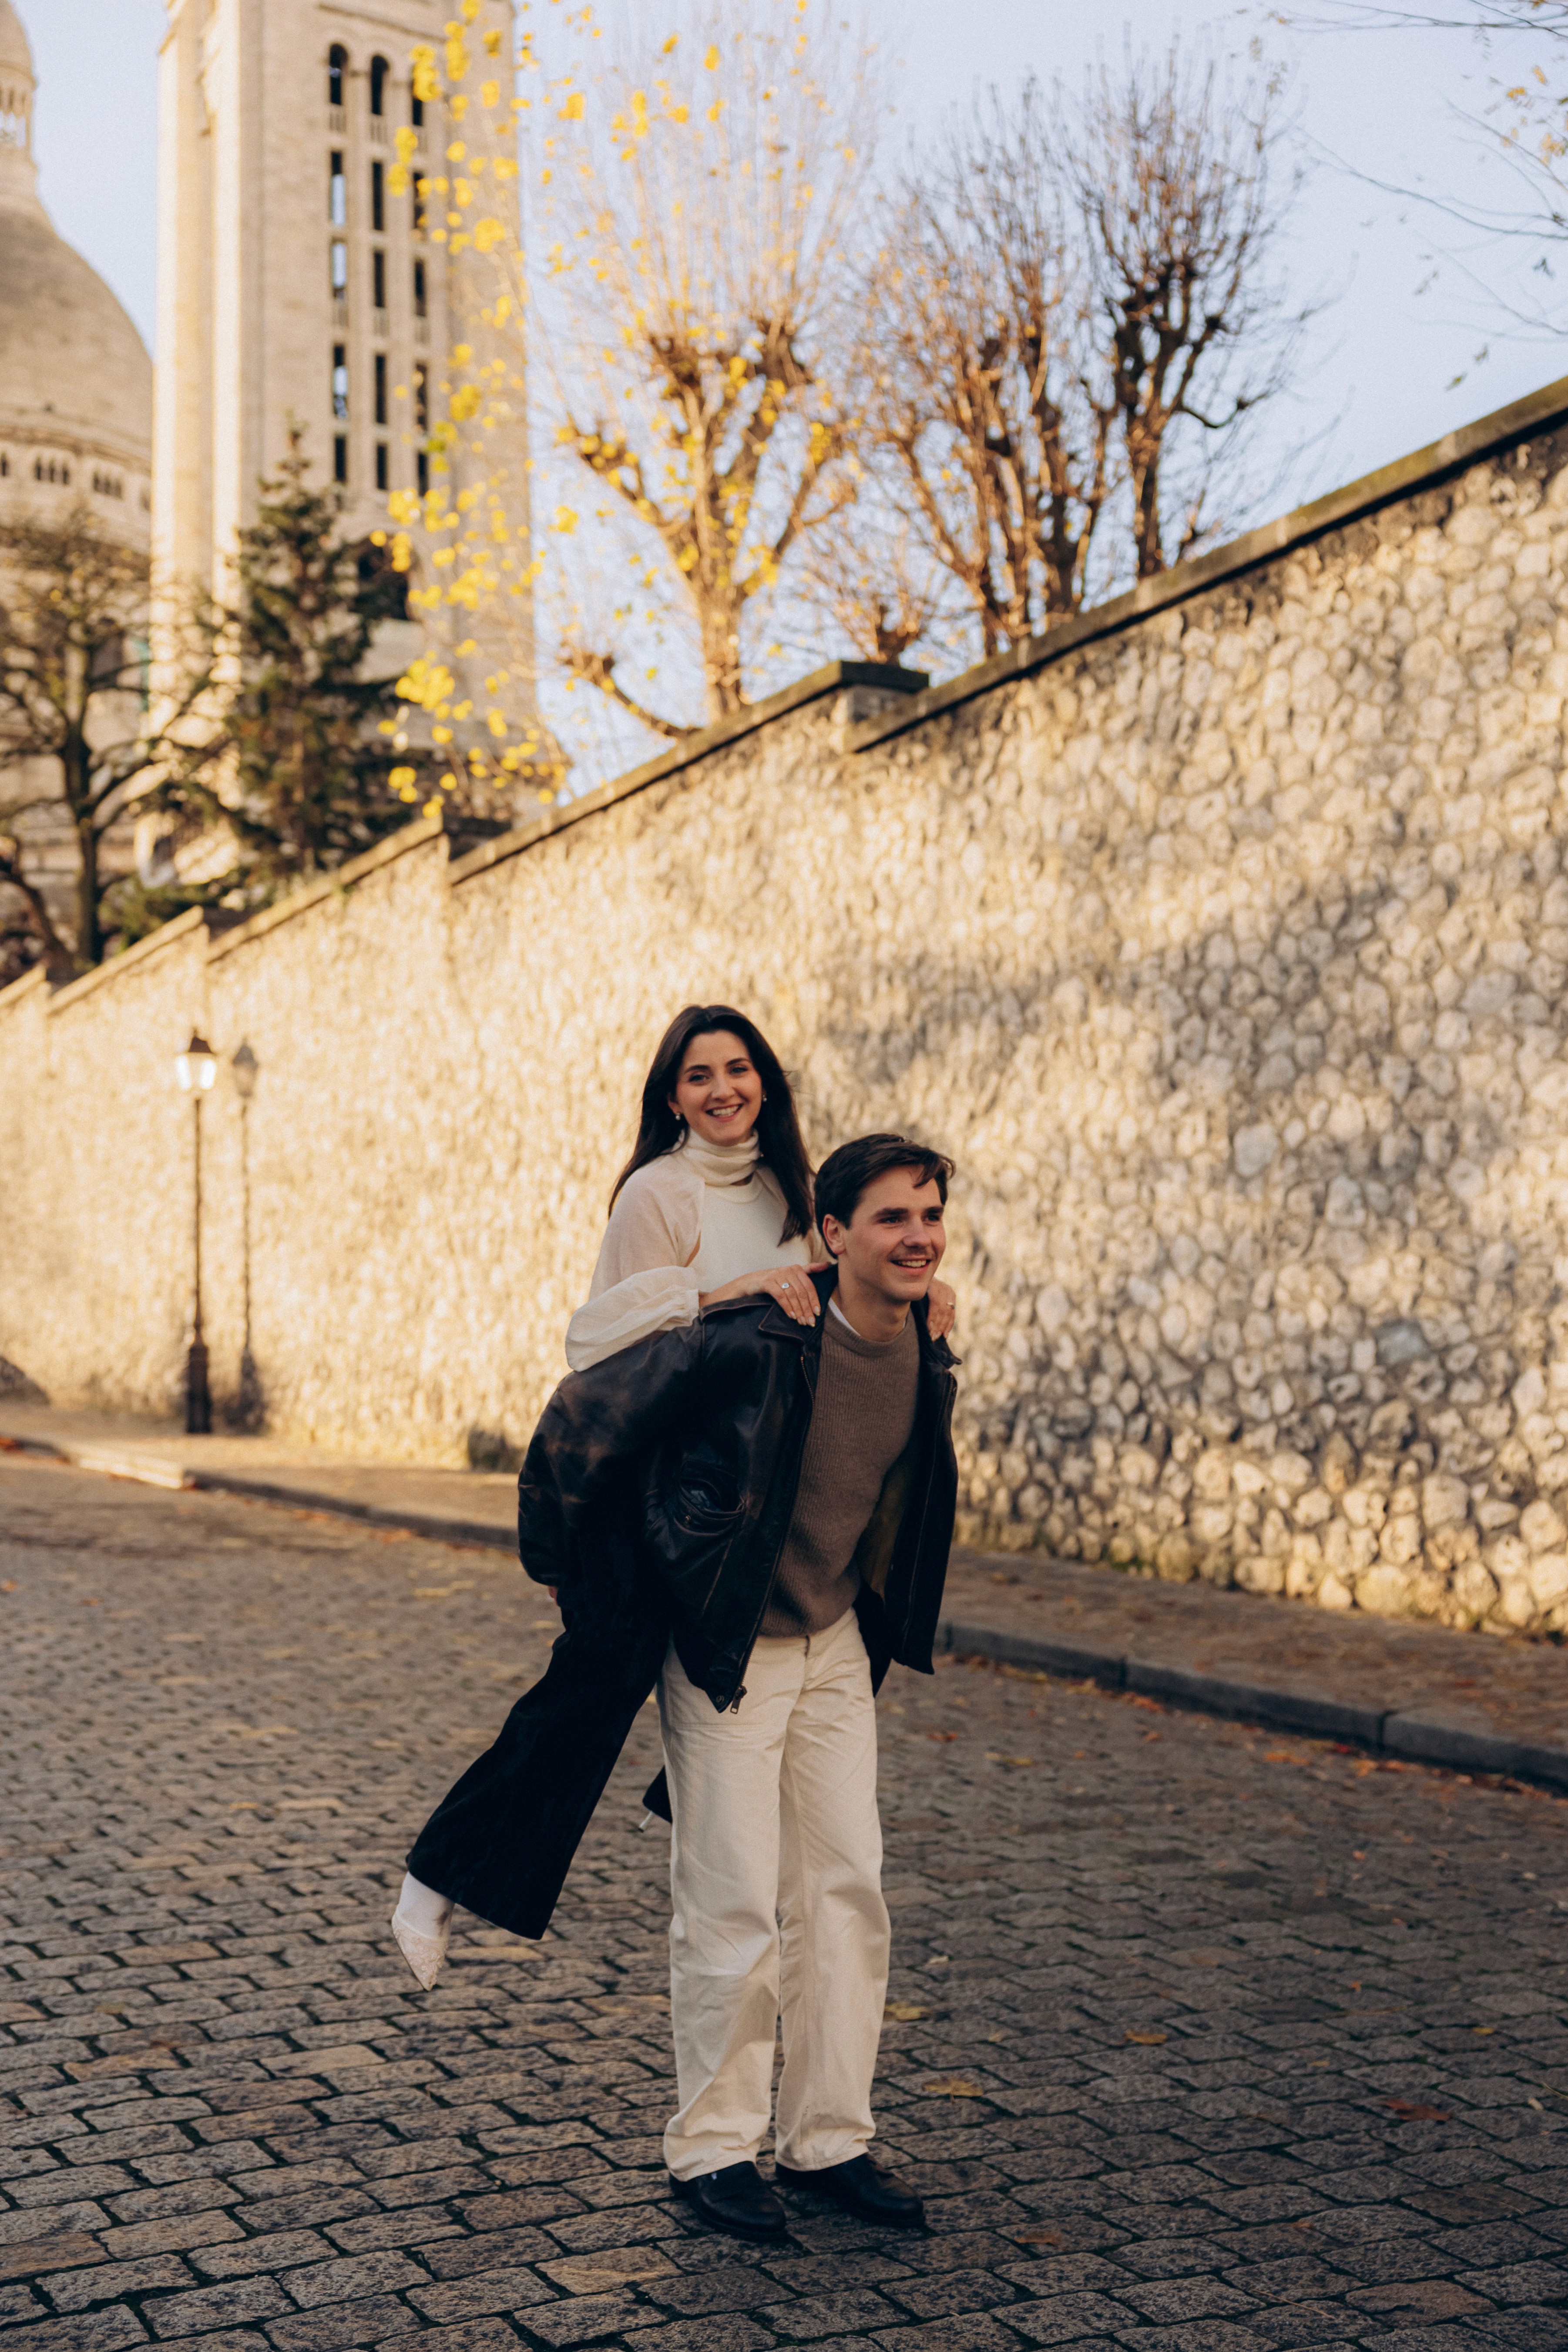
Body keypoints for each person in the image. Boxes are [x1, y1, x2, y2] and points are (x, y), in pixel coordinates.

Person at [392, 1132, 961, 2243]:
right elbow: (580, 1422)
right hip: (726, 1651)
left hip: (837, 1647)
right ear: (831, 1235)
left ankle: (828, 2139)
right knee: (732, 1899)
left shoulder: (928, 1341)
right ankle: (712, 2151)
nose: (917, 1236)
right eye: (891, 1218)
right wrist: (600, 1587)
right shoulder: (756, 1338)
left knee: (847, 1892)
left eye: (930, 1215)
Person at [563, 1001, 954, 1369]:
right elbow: (609, 1339)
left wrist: (918, 1285)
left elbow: (850, 1281)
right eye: (699, 1077)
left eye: (738, 1070)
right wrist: (738, 1292)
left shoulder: (796, 1185)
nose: (722, 1091)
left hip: (790, 1431)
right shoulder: (652, 1192)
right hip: (694, 1436)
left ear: (763, 1085)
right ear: (673, 1100)